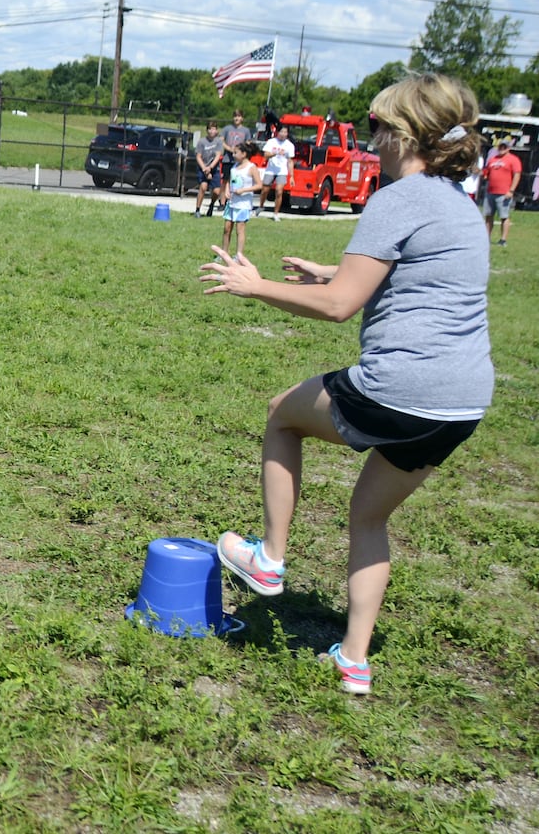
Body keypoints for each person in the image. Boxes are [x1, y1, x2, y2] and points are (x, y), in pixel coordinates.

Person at [200, 73, 492, 696]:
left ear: (407, 135)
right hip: (462, 403)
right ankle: (354, 661)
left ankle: (269, 559)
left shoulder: (399, 197)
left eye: (379, 127)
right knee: (368, 514)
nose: (371, 139)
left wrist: (256, 286)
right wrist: (329, 268)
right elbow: (413, 277)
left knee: (282, 414)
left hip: (401, 386)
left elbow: (339, 306)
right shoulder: (460, 204)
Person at [220, 140, 261, 257]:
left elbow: (259, 185)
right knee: (227, 228)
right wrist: (227, 190)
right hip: (232, 202)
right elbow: (229, 181)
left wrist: (243, 190)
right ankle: (224, 253)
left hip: (243, 204)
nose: (233, 155)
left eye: (235, 153)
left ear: (243, 154)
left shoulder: (251, 167)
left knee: (240, 229)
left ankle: (239, 255)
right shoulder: (235, 166)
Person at [481, 137, 523, 246]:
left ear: (508, 148)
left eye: (504, 146)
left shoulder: (513, 160)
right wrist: (484, 174)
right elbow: (487, 172)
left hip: (504, 193)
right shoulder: (492, 159)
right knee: (488, 215)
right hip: (490, 191)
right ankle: (486, 238)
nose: (502, 148)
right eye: (500, 146)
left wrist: (511, 190)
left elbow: (517, 175)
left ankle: (503, 239)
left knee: (504, 216)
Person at [258, 124, 294, 220]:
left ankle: (276, 213)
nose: (283, 134)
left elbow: (290, 161)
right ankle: (261, 206)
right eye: (281, 132)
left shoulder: (289, 145)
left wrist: (292, 176)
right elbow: (265, 155)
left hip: (282, 170)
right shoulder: (271, 142)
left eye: (285, 132)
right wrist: (275, 153)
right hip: (271, 169)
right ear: (278, 132)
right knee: (265, 190)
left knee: (279, 191)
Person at [193, 121, 225, 217]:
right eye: (210, 129)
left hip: (214, 169)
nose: (212, 131)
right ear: (207, 130)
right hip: (203, 167)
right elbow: (198, 156)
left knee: (216, 191)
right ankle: (197, 210)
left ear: (217, 130)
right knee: (203, 187)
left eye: (214, 129)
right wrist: (204, 168)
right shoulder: (202, 142)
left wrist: (210, 168)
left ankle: (212, 205)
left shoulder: (218, 141)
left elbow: (218, 156)